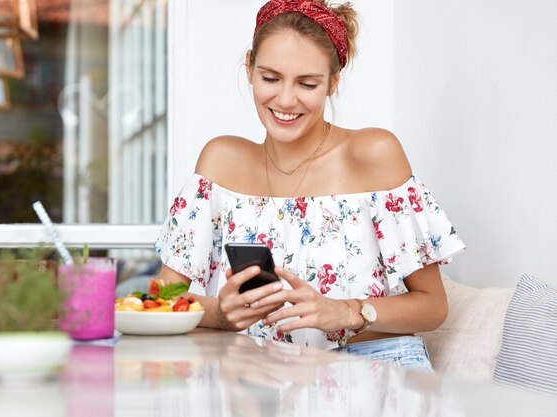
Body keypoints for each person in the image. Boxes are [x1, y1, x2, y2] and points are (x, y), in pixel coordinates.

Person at [155, 0, 465, 371]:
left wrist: (346, 312)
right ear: (250, 66)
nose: (285, 100)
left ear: (333, 82)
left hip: (373, 368)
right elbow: (164, 297)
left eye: (307, 83)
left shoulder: (374, 153)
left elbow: (432, 306)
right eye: (270, 78)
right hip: (260, 378)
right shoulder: (221, 162)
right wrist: (223, 314)